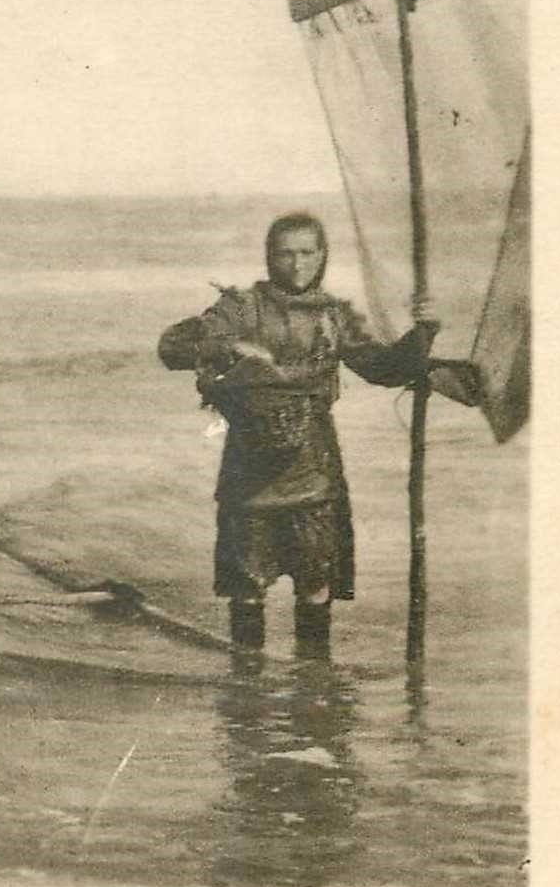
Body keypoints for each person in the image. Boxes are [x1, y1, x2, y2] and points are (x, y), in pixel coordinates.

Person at [158, 213, 437, 657]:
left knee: (315, 585)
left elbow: (385, 369)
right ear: (269, 256)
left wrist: (424, 331)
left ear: (323, 255)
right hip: (249, 475)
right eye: (285, 253)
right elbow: (171, 348)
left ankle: (314, 684)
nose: (297, 264)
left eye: (307, 252)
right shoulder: (241, 308)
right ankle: (247, 687)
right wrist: (231, 346)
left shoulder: (333, 316)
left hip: (314, 474)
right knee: (246, 590)